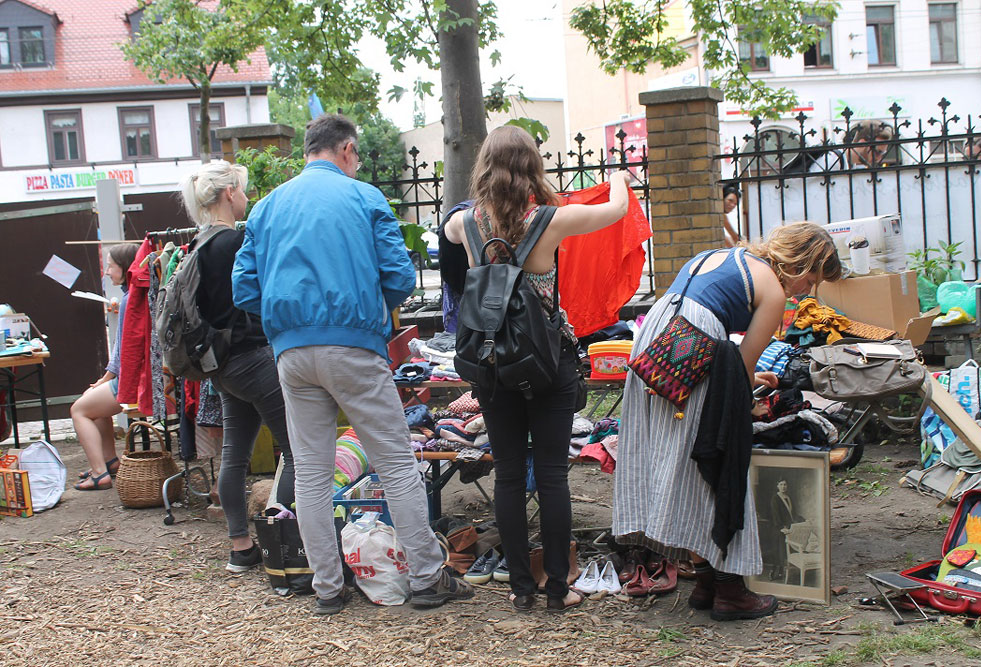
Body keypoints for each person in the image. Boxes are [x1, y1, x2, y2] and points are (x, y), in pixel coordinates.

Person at [232, 113, 473, 615]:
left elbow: (245, 289)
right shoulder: (364, 198)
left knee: (313, 472)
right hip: (354, 344)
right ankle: (428, 578)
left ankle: (326, 587)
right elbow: (400, 277)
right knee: (395, 463)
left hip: (292, 353)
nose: (357, 163)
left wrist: (290, 319)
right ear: (345, 150)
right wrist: (367, 311)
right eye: (357, 155)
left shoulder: (266, 207)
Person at [444, 125, 631, 612]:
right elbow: (616, 211)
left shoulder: (469, 224)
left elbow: (445, 227)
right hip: (546, 365)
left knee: (507, 475)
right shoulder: (551, 221)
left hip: (492, 365)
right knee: (550, 477)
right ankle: (557, 590)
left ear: (485, 167)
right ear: (532, 168)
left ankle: (519, 589)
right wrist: (620, 180)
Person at [613, 222, 841, 621]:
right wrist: (749, 397)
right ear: (801, 262)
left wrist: (750, 380)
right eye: (812, 278)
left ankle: (705, 582)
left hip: (656, 346)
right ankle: (730, 591)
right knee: (714, 462)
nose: (808, 289)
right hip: (694, 349)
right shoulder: (771, 289)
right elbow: (740, 365)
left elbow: (728, 356)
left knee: (681, 462)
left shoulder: (720, 255)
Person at [179, 161, 297, 574]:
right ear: (229, 192)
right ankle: (288, 542)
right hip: (253, 357)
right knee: (299, 449)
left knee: (234, 457)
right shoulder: (232, 242)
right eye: (243, 190)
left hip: (223, 366)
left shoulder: (200, 243)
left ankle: (240, 547)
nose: (246, 196)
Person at [70, 242, 140, 491]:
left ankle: (100, 474)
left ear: (125, 267)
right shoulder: (135, 293)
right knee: (95, 407)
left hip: (134, 381)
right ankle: (110, 462)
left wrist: (106, 378)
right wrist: (105, 379)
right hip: (139, 377)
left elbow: (123, 350)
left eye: (110, 266)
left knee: (79, 409)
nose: (107, 272)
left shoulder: (130, 298)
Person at [808, 120, 891, 172]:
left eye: (883, 153)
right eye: (878, 152)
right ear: (862, 143)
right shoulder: (832, 160)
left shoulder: (851, 164)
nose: (879, 158)